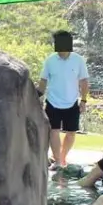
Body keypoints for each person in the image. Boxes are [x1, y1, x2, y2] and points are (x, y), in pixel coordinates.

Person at [37, 31, 89, 170]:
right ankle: (58, 161)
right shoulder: (50, 60)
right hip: (53, 101)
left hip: (72, 102)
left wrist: (84, 100)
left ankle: (63, 157)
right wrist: (39, 96)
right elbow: (43, 80)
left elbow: (84, 81)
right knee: (54, 131)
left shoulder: (78, 60)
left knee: (71, 133)